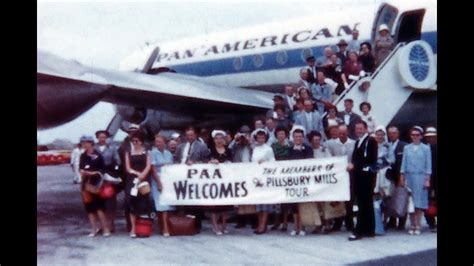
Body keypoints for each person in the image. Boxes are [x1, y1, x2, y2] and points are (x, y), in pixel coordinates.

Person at [348, 121, 378, 241]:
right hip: (359, 176)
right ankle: (369, 230)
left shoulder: (370, 141)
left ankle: (359, 231)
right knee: (366, 204)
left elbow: (370, 159)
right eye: (357, 129)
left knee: (363, 203)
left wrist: (354, 165)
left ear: (366, 129)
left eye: (361, 128)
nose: (358, 130)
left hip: (366, 177)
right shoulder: (358, 142)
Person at [400, 126, 432, 236]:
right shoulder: (407, 148)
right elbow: (403, 163)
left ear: (421, 136)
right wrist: (402, 177)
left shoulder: (426, 148)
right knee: (411, 202)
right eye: (413, 135)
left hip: (421, 177)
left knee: (419, 203)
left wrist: (427, 179)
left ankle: (418, 224)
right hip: (409, 177)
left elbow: (428, 165)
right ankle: (412, 224)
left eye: (417, 135)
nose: (415, 137)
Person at [78, 135, 110, 237]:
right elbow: (80, 167)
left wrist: (93, 173)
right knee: (89, 207)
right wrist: (82, 171)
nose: (84, 144)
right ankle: (93, 228)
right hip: (85, 184)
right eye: (82, 143)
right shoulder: (83, 156)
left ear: (91, 143)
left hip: (96, 184)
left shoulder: (98, 155)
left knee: (99, 207)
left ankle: (105, 228)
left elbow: (103, 169)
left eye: (85, 142)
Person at [326, 125, 356, 232]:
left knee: (350, 198)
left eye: (344, 133)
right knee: (338, 198)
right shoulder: (332, 144)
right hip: (338, 175)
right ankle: (337, 222)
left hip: (350, 174)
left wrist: (353, 164)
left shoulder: (354, 143)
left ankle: (349, 222)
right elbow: (329, 158)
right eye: (340, 133)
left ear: (348, 132)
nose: (342, 135)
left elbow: (357, 157)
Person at [124, 130, 152, 238]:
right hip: (133, 179)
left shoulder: (146, 152)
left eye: (137, 141)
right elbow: (128, 167)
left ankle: (143, 227)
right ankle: (133, 228)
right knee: (131, 202)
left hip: (144, 179)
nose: (135, 142)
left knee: (145, 202)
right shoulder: (128, 153)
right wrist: (137, 174)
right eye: (133, 141)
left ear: (141, 142)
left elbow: (148, 166)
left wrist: (143, 175)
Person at [229, 125, 257, 229]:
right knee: (240, 196)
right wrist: (235, 140)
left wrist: (249, 142)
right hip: (239, 172)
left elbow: (256, 151)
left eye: (246, 133)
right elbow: (229, 149)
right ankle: (241, 220)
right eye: (243, 133)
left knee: (251, 196)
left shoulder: (252, 143)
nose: (244, 136)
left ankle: (253, 220)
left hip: (250, 172)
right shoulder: (236, 144)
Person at [287, 127, 313, 236]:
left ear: (303, 138)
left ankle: (302, 227)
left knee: (303, 204)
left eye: (300, 136)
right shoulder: (290, 149)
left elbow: (310, 162)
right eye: (296, 136)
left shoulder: (308, 149)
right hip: (293, 180)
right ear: (293, 138)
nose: (298, 138)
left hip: (304, 180)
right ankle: (295, 227)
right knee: (294, 204)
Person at [308, 131, 335, 234]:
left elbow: (331, 161)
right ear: (311, 141)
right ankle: (318, 224)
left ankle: (327, 223)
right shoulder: (308, 150)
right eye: (315, 140)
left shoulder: (324, 150)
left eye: (319, 139)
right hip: (312, 181)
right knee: (315, 203)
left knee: (324, 202)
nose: (317, 142)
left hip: (323, 180)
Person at [95, 130, 121, 233]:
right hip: (97, 178)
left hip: (108, 177)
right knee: (98, 202)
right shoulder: (94, 149)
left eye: (104, 137)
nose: (102, 139)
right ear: (97, 138)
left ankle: (111, 224)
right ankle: (102, 225)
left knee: (110, 201)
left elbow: (118, 161)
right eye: (100, 137)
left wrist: (113, 169)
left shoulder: (112, 148)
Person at [150, 134, 176, 237]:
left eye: (160, 142)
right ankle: (165, 228)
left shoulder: (168, 153)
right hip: (157, 180)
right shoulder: (152, 153)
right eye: (157, 142)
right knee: (162, 205)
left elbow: (172, 167)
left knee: (168, 205)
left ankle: (164, 226)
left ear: (165, 143)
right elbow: (153, 169)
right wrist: (159, 183)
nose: (158, 144)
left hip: (168, 180)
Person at [209, 130, 234, 235]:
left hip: (225, 181)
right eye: (216, 138)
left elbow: (232, 162)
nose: (219, 140)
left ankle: (224, 225)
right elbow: (205, 162)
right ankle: (215, 226)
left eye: (220, 138)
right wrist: (211, 162)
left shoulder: (228, 150)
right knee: (214, 205)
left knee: (225, 205)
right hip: (214, 181)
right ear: (214, 140)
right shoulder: (210, 150)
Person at [251, 129, 276, 234]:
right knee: (258, 202)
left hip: (265, 177)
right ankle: (260, 224)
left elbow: (273, 162)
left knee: (265, 202)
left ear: (265, 138)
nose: (261, 139)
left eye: (262, 137)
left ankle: (262, 225)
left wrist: (265, 163)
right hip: (257, 177)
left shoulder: (269, 149)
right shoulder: (255, 149)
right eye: (259, 137)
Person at [118, 123, 141, 233]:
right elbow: (120, 160)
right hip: (128, 177)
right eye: (131, 131)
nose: (133, 133)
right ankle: (130, 225)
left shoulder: (144, 144)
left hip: (142, 176)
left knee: (141, 200)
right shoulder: (123, 146)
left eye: (135, 131)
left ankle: (141, 224)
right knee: (129, 200)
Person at [372, 126, 395, 235]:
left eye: (381, 134)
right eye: (378, 134)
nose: (379, 136)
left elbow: (392, 159)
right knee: (375, 198)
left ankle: (385, 221)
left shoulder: (388, 146)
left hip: (384, 173)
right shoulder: (371, 144)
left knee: (385, 198)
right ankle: (377, 221)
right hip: (374, 173)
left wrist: (382, 162)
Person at [386, 126, 408, 230]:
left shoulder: (404, 146)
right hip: (390, 177)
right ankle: (392, 221)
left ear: (398, 134)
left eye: (394, 133)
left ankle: (402, 222)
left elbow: (405, 163)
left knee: (402, 199)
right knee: (391, 199)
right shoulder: (387, 146)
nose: (392, 135)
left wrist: (402, 177)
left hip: (401, 176)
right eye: (390, 133)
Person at [270, 126, 291, 231]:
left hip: (287, 175)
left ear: (286, 135)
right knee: (276, 199)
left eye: (283, 134)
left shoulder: (290, 146)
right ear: (276, 135)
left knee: (285, 200)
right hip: (276, 175)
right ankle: (276, 222)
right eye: (279, 134)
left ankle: (285, 222)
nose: (281, 136)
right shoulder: (273, 146)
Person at [423, 126, 437, 232]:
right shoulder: (423, 148)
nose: (430, 139)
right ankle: (431, 222)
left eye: (432, 137)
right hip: (425, 179)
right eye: (428, 137)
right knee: (426, 202)